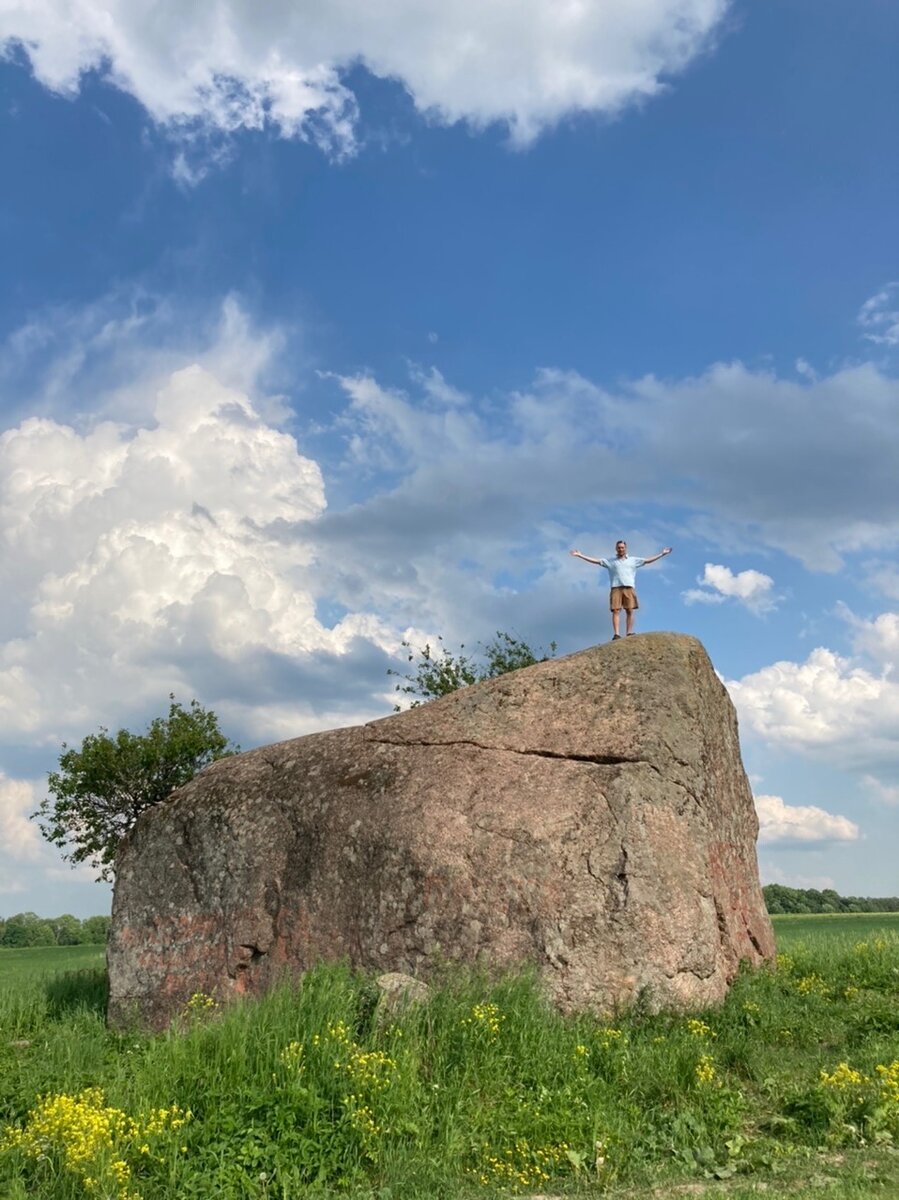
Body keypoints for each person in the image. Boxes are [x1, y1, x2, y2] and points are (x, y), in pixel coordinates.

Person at [570, 540, 672, 640]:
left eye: (622, 547)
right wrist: (580, 555)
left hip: (629, 587)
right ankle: (616, 634)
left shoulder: (633, 560)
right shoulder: (611, 561)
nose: (620, 549)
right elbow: (596, 561)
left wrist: (662, 554)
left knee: (630, 610)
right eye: (619, 548)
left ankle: (629, 632)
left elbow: (647, 560)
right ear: (616, 549)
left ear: (625, 548)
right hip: (616, 588)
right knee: (615, 610)